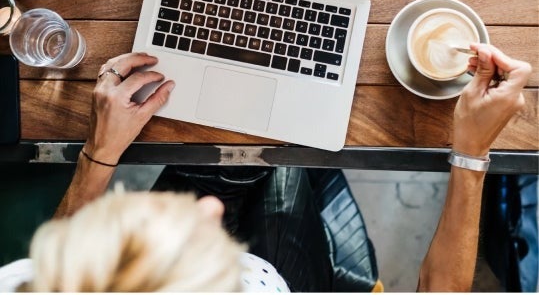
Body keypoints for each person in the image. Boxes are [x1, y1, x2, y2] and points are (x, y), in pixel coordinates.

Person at [0, 44, 531, 292]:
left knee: (230, 170)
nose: (207, 213)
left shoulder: (31, 285)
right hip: (297, 278)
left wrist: (100, 150)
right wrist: (471, 151)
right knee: (292, 158)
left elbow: (59, 269)